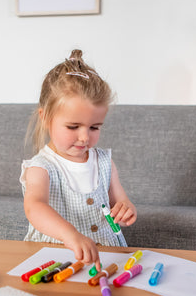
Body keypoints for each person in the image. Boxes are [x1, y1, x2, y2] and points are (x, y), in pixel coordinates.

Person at [20, 49, 137, 270]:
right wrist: (70, 234)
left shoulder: (103, 161)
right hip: (54, 259)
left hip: (106, 258)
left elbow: (120, 201)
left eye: (94, 127)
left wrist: (126, 209)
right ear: (45, 118)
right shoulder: (41, 167)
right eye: (73, 127)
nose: (84, 137)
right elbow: (34, 207)